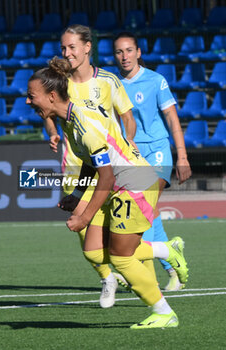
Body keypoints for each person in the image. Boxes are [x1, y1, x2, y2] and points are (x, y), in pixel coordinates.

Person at [26, 57, 188, 328]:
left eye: (32, 97)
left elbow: (107, 175)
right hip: (116, 184)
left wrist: (84, 216)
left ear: (52, 96)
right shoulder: (68, 120)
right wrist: (77, 195)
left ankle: (163, 312)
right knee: (93, 252)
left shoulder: (84, 125)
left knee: (122, 258)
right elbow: (92, 163)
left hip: (135, 183)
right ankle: (166, 250)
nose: (28, 102)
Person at [44, 24, 137, 308]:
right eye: (63, 47)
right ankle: (107, 277)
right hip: (77, 167)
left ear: (87, 47)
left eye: (72, 47)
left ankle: (162, 253)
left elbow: (127, 118)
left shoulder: (108, 81)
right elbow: (45, 110)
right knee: (85, 234)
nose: (67, 52)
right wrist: (52, 131)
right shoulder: (60, 84)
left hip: (110, 166)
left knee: (112, 237)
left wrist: (129, 142)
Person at [113, 32, 192, 291]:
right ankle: (172, 264)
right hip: (130, 157)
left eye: (128, 50)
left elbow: (172, 119)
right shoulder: (113, 84)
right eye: (118, 52)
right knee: (149, 214)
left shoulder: (155, 81)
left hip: (157, 152)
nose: (124, 56)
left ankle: (144, 276)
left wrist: (181, 155)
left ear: (139, 52)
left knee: (143, 211)